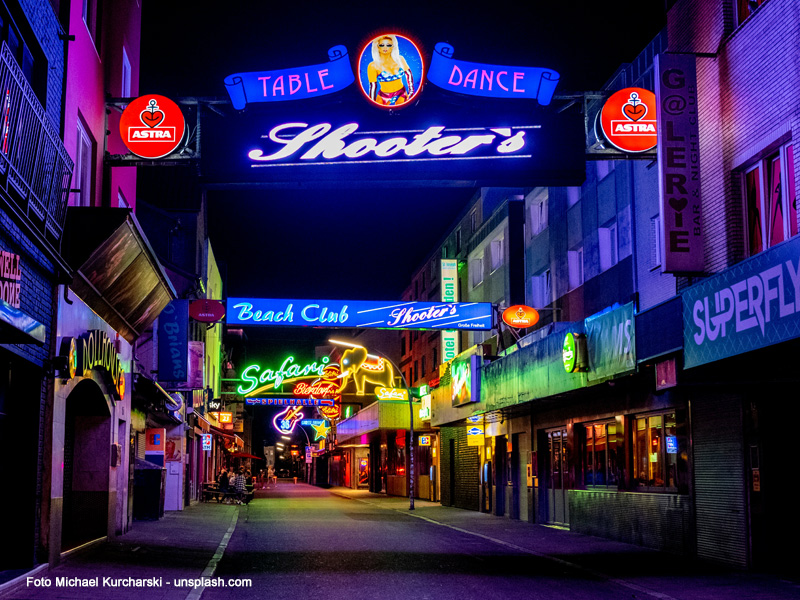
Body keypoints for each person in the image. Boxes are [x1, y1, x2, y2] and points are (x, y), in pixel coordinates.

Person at [367, 35, 415, 106]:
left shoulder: (400, 59)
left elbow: (409, 74)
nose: (385, 48)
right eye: (382, 45)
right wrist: (372, 103)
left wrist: (411, 92)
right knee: (378, 115)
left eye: (389, 45)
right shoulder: (373, 66)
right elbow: (373, 86)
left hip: (401, 93)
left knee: (403, 114)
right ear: (377, 47)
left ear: (393, 46)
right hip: (384, 95)